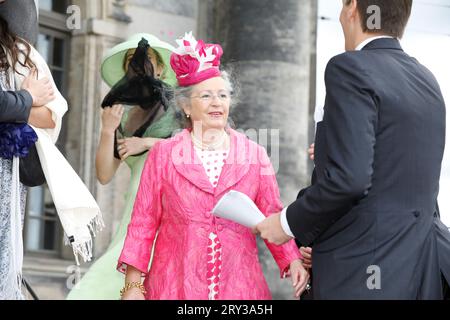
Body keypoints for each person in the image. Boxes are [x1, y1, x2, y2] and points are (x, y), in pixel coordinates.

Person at [256, 0, 448, 299]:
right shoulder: (426, 79)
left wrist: (286, 224)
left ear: (352, 8)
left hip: (359, 270)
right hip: (416, 270)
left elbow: (350, 180)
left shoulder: (350, 67)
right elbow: (399, 178)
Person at [117, 32, 309, 300]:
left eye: (223, 95)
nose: (217, 102)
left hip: (240, 288)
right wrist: (133, 286)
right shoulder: (164, 154)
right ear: (185, 105)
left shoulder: (254, 155)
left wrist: (292, 261)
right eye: (206, 96)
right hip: (174, 284)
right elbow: (143, 222)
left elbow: (271, 212)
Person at [67, 33, 179, 300]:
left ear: (161, 67)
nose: (138, 66)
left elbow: (199, 147)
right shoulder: (123, 114)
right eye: (132, 62)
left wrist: (150, 143)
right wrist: (107, 130)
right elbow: (104, 174)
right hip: (136, 209)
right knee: (105, 282)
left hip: (173, 204)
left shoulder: (179, 107)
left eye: (147, 59)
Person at [0, 1, 61, 299]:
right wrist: (25, 98)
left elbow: (50, 114)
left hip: (6, 184)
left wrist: (18, 104)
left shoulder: (18, 52)